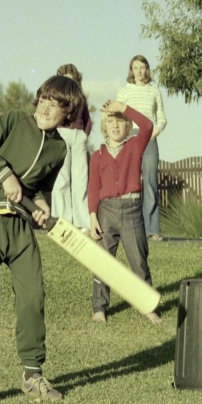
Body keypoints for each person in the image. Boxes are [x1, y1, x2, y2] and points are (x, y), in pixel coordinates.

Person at [0, 74, 85, 404]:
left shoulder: (60, 149)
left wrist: (43, 205)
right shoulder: (15, 121)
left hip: (21, 226)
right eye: (44, 99)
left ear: (68, 114)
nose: (47, 107)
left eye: (57, 104)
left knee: (33, 296)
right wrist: (5, 175)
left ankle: (33, 375)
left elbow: (41, 189)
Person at [88, 101, 161, 325]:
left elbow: (148, 125)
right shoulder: (97, 155)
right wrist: (92, 216)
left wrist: (124, 107)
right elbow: (93, 187)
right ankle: (99, 308)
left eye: (120, 121)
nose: (116, 126)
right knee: (103, 262)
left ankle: (147, 305)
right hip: (106, 212)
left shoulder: (135, 146)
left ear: (128, 126)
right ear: (105, 127)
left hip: (131, 211)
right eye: (111, 121)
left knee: (138, 260)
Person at [116, 54, 167, 241]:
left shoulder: (154, 91)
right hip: (130, 138)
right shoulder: (124, 91)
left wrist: (156, 131)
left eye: (143, 67)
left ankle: (152, 229)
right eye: (136, 67)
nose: (140, 71)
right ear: (131, 70)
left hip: (150, 139)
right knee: (130, 183)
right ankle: (128, 227)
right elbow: (118, 116)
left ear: (147, 70)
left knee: (150, 183)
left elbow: (161, 117)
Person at [48, 64, 92, 230]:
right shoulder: (58, 97)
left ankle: (82, 222)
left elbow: (87, 118)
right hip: (62, 135)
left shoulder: (81, 97)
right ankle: (63, 221)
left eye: (72, 79)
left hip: (78, 136)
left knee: (81, 180)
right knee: (62, 179)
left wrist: (84, 134)